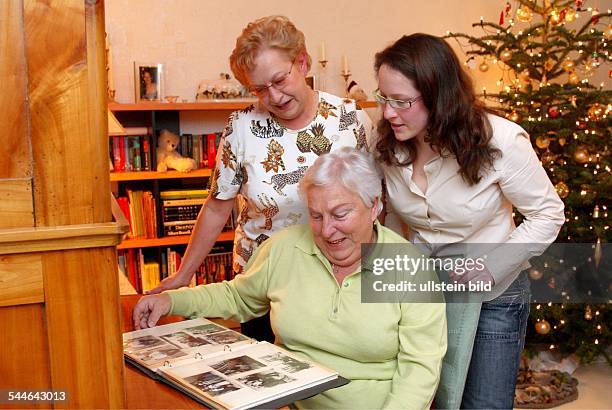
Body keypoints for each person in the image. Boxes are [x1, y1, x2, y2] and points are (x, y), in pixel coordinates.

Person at [133, 147, 447, 409]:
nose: (327, 230)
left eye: (340, 214)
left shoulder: (410, 267)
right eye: (316, 215)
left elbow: (419, 370)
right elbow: (236, 297)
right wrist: (171, 299)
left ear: (374, 206)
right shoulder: (285, 248)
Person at [148, 16, 372, 343]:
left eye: (280, 80)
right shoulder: (241, 127)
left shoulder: (351, 119)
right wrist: (185, 274)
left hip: (339, 281)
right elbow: (217, 207)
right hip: (261, 288)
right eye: (260, 89)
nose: (275, 97)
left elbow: (378, 204)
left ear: (303, 62)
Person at [372, 33, 565, 409]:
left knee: (483, 403)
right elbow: (393, 216)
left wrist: (488, 268)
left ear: (439, 96)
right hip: (423, 290)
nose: (389, 113)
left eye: (402, 101)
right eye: (384, 98)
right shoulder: (389, 143)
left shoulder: (502, 141)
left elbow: (548, 214)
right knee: (428, 399)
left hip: (494, 296)